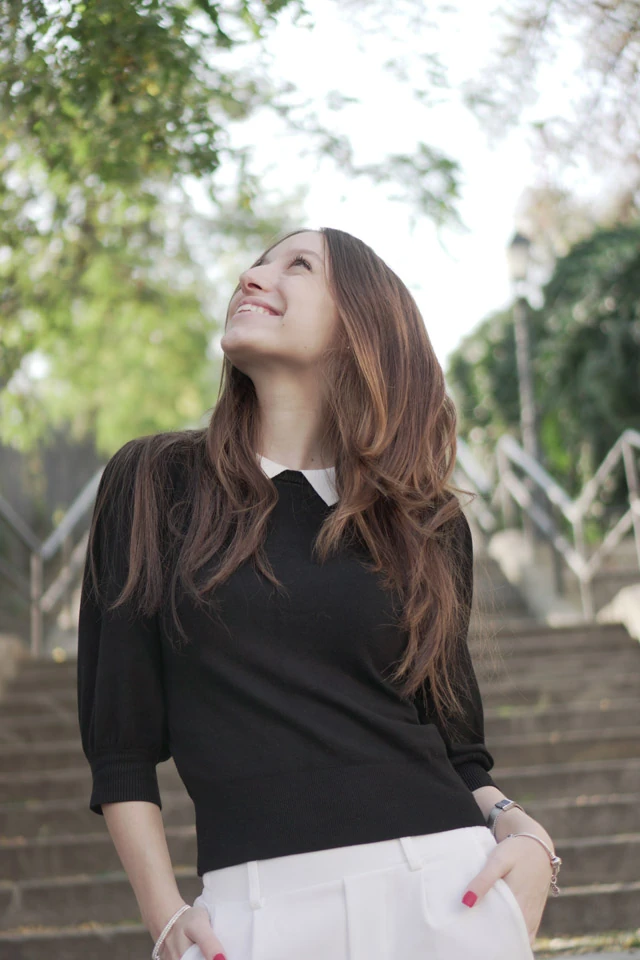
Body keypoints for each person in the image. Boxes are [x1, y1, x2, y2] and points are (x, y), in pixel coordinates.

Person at [77, 227, 560, 960]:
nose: (253, 276)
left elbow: (460, 749)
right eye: (256, 263)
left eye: (296, 265)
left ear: (358, 326)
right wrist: (163, 913)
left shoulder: (422, 519)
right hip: (253, 910)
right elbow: (120, 745)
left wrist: (524, 833)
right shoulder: (151, 483)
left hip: (444, 887)